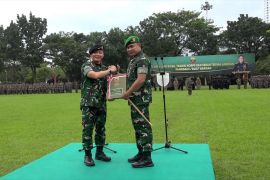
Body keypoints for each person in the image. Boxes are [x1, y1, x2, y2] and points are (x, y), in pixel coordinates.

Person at [80, 44, 117, 167]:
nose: (98, 54)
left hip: (101, 103)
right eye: (95, 52)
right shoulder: (86, 65)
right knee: (88, 129)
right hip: (88, 104)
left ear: (103, 54)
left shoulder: (105, 68)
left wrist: (115, 71)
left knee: (101, 129)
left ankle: (99, 152)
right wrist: (109, 70)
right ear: (91, 54)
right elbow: (94, 75)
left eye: (100, 52)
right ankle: (88, 155)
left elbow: (113, 82)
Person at [122, 35, 154, 168]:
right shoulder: (133, 60)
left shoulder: (142, 60)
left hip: (140, 98)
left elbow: (140, 80)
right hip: (134, 99)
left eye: (132, 46)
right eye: (128, 47)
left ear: (139, 45)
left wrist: (127, 93)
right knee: (137, 127)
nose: (130, 49)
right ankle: (141, 152)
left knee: (143, 126)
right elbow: (129, 78)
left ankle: (147, 158)